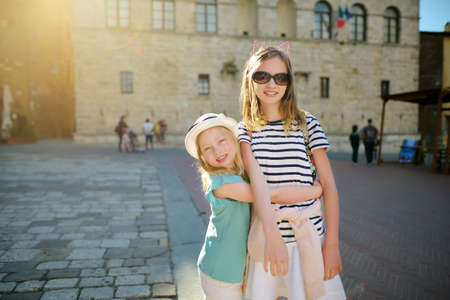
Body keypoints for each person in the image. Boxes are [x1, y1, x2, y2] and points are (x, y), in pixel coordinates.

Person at [238, 44, 345, 299]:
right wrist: (272, 234)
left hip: (308, 238)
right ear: (250, 80)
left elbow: (328, 187)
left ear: (289, 82)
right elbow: (257, 187)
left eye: (280, 77)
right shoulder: (246, 130)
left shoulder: (307, 124)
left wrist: (331, 245)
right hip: (266, 238)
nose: (271, 84)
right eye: (261, 76)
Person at [185, 113, 324, 300]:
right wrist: (314, 192)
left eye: (221, 141)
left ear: (233, 139)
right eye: (208, 148)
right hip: (220, 272)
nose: (217, 151)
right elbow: (270, 194)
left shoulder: (238, 173)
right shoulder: (221, 183)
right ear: (202, 156)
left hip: (235, 268)